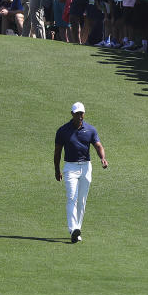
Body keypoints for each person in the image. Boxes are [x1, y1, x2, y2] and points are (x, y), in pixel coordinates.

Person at [54, 102, 108, 243]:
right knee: (72, 197)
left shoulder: (90, 129)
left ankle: (77, 231)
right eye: (77, 113)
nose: (79, 116)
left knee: (82, 200)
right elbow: (57, 152)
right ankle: (73, 229)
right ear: (72, 114)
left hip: (86, 167)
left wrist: (103, 158)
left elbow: (98, 145)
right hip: (70, 168)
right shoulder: (63, 131)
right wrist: (57, 169)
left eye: (81, 113)